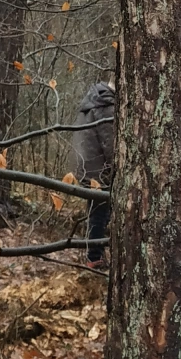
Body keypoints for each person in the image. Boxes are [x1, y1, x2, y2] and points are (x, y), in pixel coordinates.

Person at [71, 79, 116, 264]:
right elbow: (111, 145)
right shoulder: (106, 106)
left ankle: (93, 254)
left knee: (96, 212)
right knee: (100, 214)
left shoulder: (93, 99)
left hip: (86, 167)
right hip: (99, 171)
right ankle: (94, 258)